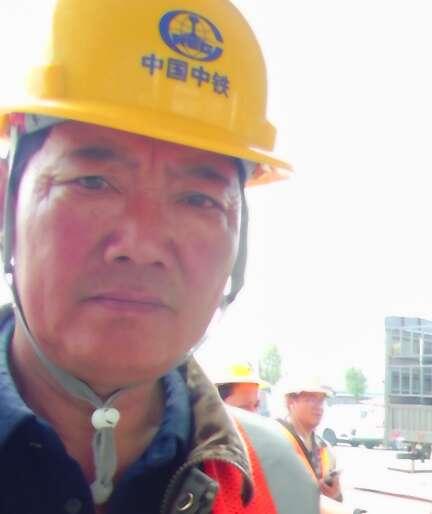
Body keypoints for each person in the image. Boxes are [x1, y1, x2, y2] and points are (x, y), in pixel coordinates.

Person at [0, 1, 320, 513]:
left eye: (198, 199)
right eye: (93, 182)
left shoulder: (277, 483)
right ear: (6, 200)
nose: (142, 244)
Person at [277, 378, 343, 503]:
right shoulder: (275, 440)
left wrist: (335, 496)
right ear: (290, 401)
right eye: (311, 399)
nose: (319, 407)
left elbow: (335, 502)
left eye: (321, 400)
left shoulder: (324, 448)